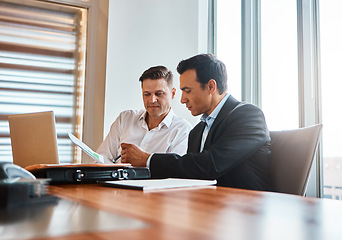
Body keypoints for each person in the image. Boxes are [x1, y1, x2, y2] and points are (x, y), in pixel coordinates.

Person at [120, 54, 272, 191]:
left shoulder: (248, 116)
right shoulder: (197, 131)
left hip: (245, 211)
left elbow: (210, 165)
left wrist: (148, 159)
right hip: (206, 208)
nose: (182, 99)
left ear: (211, 86)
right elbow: (189, 173)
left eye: (187, 90)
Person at [96, 65, 192, 164]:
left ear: (172, 93)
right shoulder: (125, 119)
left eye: (159, 93)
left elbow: (174, 171)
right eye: (147, 94)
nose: (152, 100)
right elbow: (101, 159)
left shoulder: (182, 130)